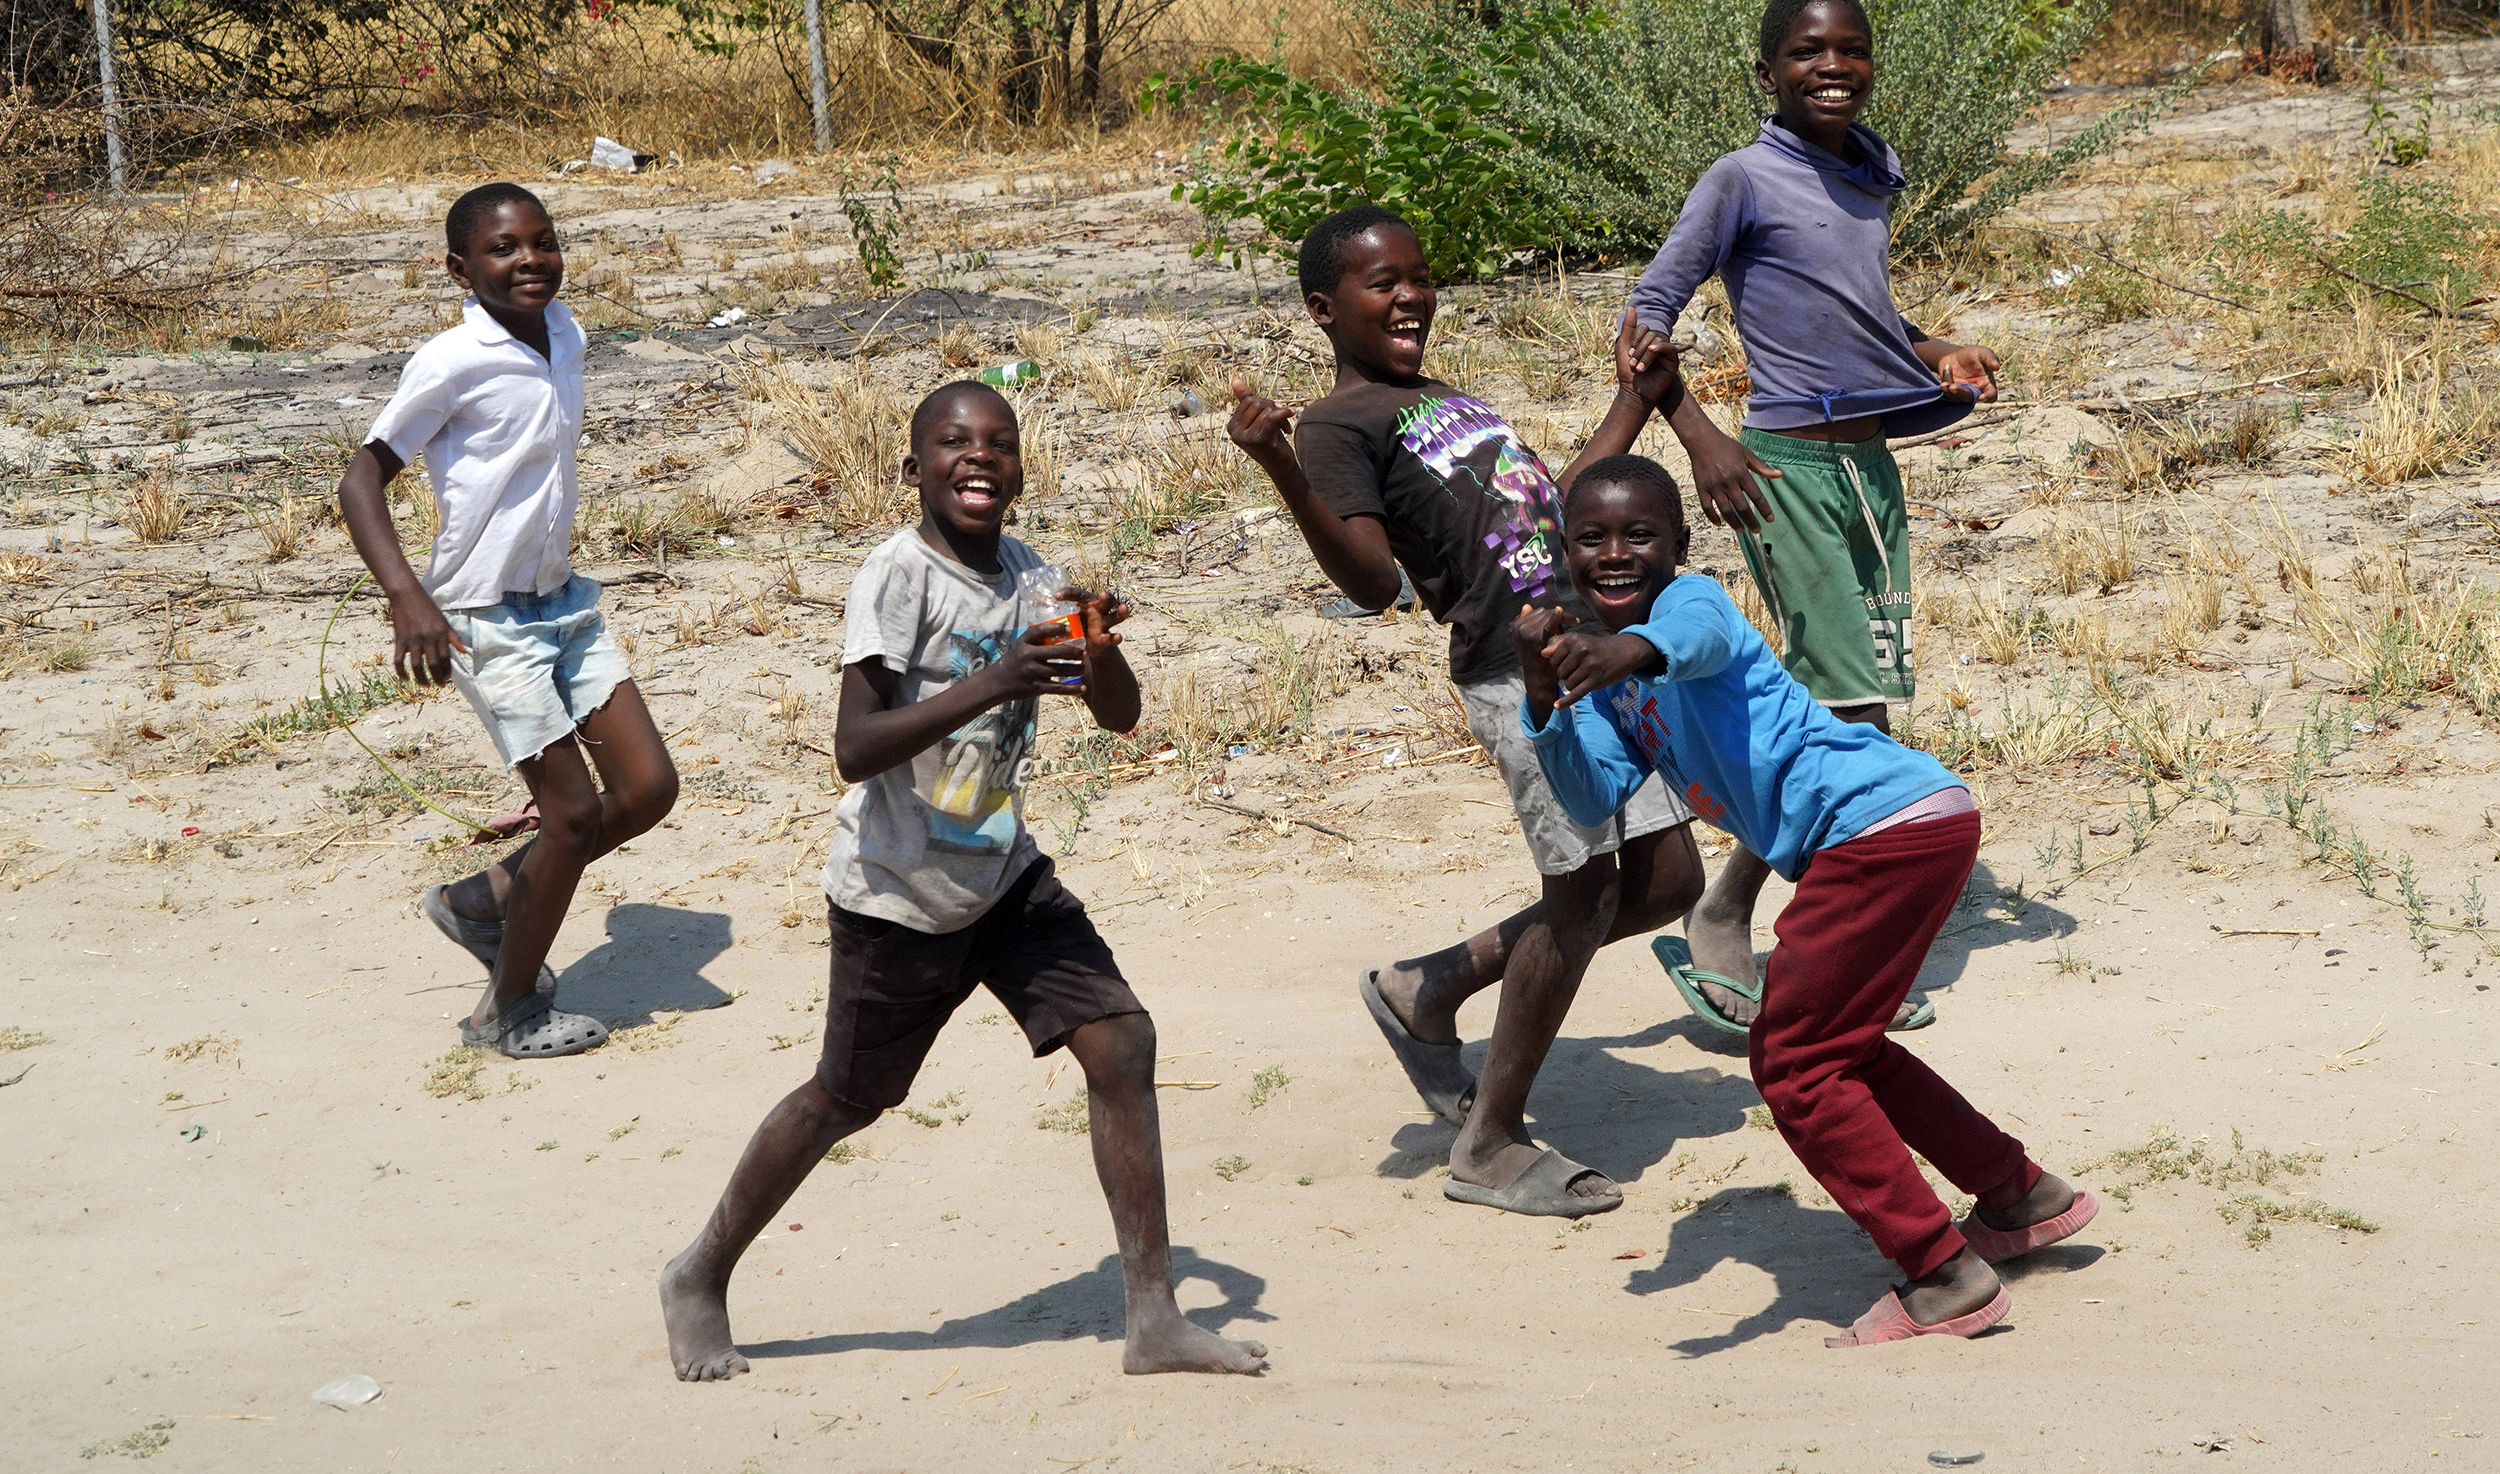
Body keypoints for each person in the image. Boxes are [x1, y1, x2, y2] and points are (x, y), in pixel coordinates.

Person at [661, 380, 1269, 1383]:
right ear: (913, 469)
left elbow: (1114, 712)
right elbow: (854, 746)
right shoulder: (897, 576)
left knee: (1121, 1039)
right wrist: (994, 679)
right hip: (897, 893)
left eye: (1000, 442)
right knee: (841, 1098)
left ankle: (1154, 1315)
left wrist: (1096, 651)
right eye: (952, 441)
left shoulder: (1035, 576)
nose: (978, 456)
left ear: (1022, 469)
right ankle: (700, 1269)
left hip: (1002, 869)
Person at [1516, 453, 2098, 1345]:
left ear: (1678, 544)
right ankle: (2019, 1194)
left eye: (1640, 534)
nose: (1617, 552)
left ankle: (1944, 1277)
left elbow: (1694, 641)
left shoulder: (1687, 606)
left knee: (1792, 1064)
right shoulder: (1602, 686)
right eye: (1592, 538)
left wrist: (1618, 649)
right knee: (1844, 1047)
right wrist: (1543, 693)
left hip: (1884, 825)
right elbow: (1592, 797)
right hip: (1910, 826)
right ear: (1565, 551)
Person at [1227, 204, 1703, 1219]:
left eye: (1418, 274)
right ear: (1323, 309)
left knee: (1663, 879)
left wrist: (1633, 402)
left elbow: (1549, 506)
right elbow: (1367, 579)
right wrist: (1280, 467)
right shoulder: (1336, 425)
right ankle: (1487, 1142)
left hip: (1596, 648)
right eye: (1380, 282)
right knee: (1579, 892)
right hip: (1514, 664)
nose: (1410, 294)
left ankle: (1431, 985)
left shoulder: (1449, 398)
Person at [1619, 0, 2007, 1034]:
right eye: (1804, 52)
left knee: (1858, 685)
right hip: (1785, 466)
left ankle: (1775, 922)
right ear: (1766, 73)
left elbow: (1864, 309)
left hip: (1869, 466)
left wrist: (1933, 352)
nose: (1829, 67)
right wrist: (1700, 437)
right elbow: (1650, 310)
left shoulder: (1866, 173)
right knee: (1849, 701)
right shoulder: (1740, 177)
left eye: (1849, 49)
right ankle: (1764, 927)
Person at [339, 182, 678, 1060]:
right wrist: (408, 594)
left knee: (646, 789)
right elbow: (361, 478)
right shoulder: (451, 361)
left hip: (564, 601)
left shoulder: (566, 332)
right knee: (567, 816)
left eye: (543, 240)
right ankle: (508, 1009)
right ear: (460, 268)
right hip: (484, 618)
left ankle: (486, 900)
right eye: (502, 249)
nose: (529, 259)